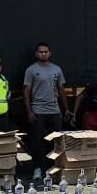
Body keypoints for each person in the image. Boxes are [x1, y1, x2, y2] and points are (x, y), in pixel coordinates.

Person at [23, 42, 67, 177]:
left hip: (54, 111)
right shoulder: (31, 70)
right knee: (37, 142)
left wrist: (66, 108)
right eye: (41, 52)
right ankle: (38, 168)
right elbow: (26, 91)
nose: (43, 54)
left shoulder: (56, 69)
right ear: (36, 54)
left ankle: (54, 168)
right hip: (38, 111)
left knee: (56, 141)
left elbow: (61, 89)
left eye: (45, 52)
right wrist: (29, 111)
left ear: (50, 53)